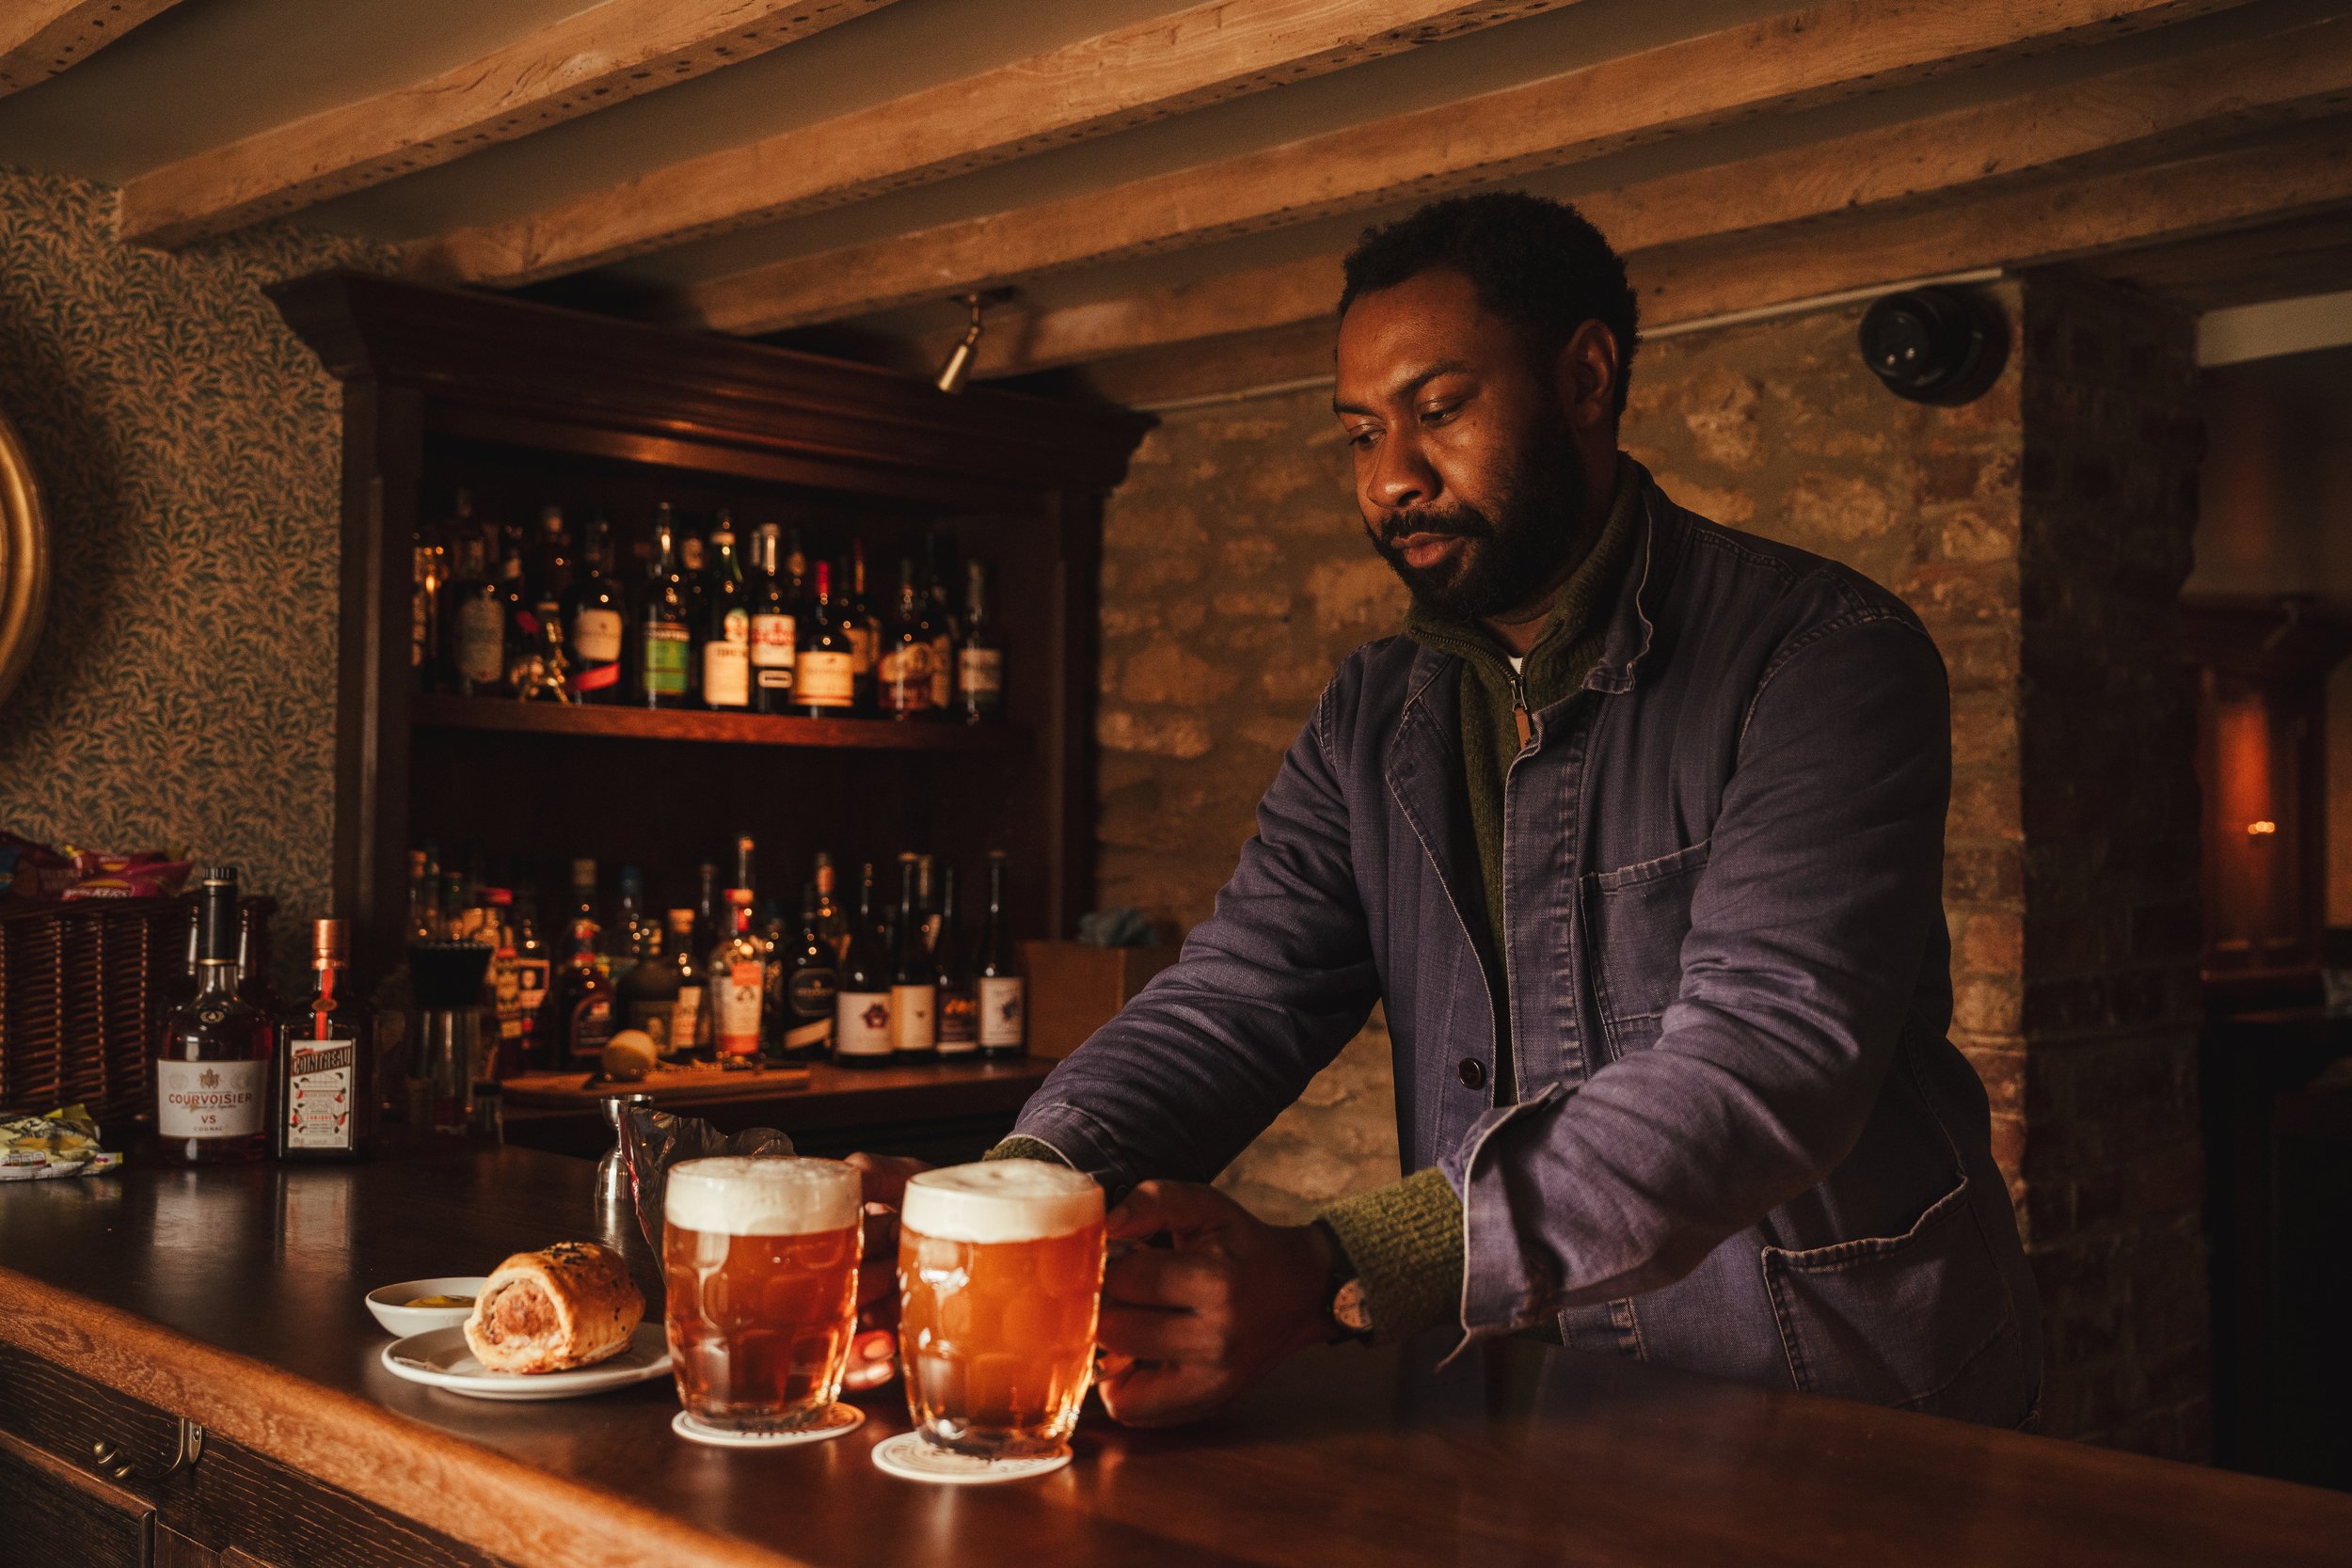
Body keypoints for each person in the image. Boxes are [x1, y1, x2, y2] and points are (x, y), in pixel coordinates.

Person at [855, 190, 2040, 1430]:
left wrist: (1339, 1269)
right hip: (1528, 1406)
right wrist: (1006, 1196)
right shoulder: (1370, 717)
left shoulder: (1820, 654)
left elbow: (1766, 1060)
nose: (1392, 479)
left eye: (1439, 409)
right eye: (1361, 432)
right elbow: (1237, 997)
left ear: (1586, 377)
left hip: (1825, 1399)